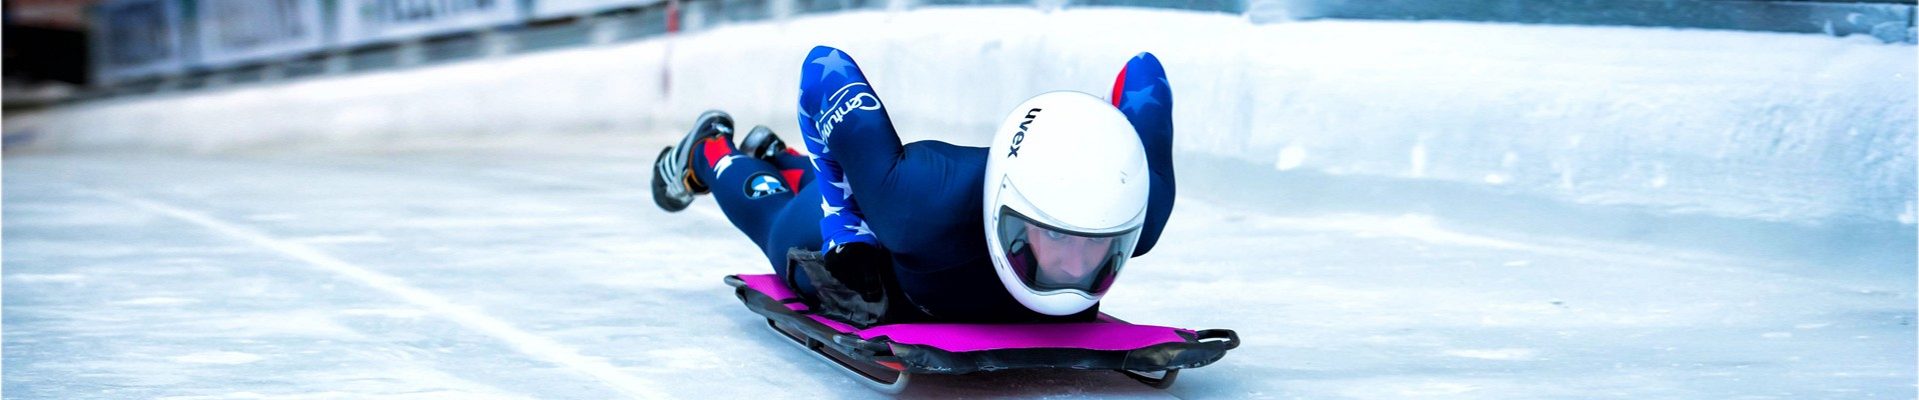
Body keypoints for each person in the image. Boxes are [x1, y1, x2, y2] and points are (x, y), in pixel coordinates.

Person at [651, 45, 1175, 324]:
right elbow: (822, 69)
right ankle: (709, 149)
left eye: (1101, 245)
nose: (1078, 269)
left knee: (858, 172)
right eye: (1059, 237)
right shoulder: (916, 209)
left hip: (883, 184)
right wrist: (845, 227)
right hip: (887, 245)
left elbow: (1146, 71)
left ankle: (780, 154)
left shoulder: (1140, 209)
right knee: (779, 225)